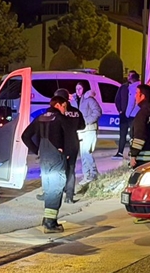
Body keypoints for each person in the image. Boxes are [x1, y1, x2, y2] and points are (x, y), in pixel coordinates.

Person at [21, 94, 69, 233]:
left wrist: (37, 150)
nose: (65, 109)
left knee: (49, 188)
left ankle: (49, 219)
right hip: (56, 158)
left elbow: (25, 136)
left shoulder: (40, 118)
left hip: (44, 158)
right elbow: (70, 137)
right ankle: (49, 223)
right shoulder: (60, 118)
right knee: (56, 187)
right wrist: (67, 152)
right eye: (64, 106)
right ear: (58, 105)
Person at [55, 88, 84, 204]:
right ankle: (69, 196)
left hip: (61, 143)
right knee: (71, 169)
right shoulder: (76, 112)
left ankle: (54, 193)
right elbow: (82, 126)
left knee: (58, 169)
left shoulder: (58, 112)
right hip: (73, 143)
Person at [74, 81, 102, 185]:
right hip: (81, 131)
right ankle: (86, 175)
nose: (78, 91)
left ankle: (93, 174)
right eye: (76, 89)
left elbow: (98, 112)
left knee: (87, 153)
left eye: (80, 88)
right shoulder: (76, 100)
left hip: (89, 129)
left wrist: (86, 121)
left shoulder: (89, 99)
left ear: (84, 89)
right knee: (83, 154)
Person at [113, 71, 140, 158]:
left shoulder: (137, 87)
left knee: (133, 134)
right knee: (123, 134)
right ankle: (120, 152)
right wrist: (120, 110)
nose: (127, 76)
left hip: (133, 116)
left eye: (129, 75)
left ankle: (133, 152)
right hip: (124, 115)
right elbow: (117, 99)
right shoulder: (124, 87)